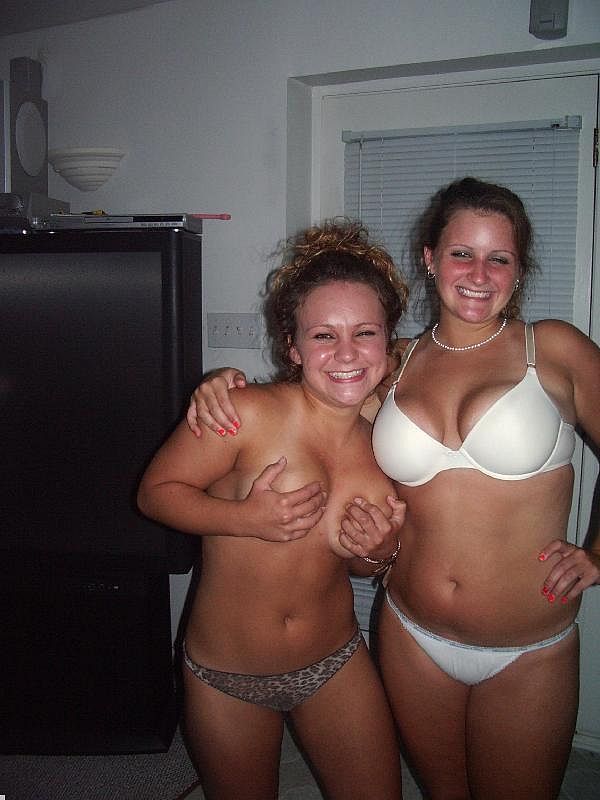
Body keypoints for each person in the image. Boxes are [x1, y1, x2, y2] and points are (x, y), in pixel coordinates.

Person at [186, 177, 600, 800]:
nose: (479, 274)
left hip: (527, 647)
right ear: (430, 258)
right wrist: (221, 382)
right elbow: (310, 398)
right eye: (461, 253)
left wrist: (597, 552)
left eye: (499, 258)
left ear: (519, 270)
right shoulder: (393, 362)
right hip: (411, 633)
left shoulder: (554, 349)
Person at [137, 220, 409, 800]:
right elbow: (155, 492)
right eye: (323, 335)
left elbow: (356, 564)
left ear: (387, 344)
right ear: (293, 347)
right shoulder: (244, 413)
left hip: (334, 662)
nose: (345, 353)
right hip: (226, 673)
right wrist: (246, 519)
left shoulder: (385, 446)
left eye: (365, 332)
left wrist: (380, 552)